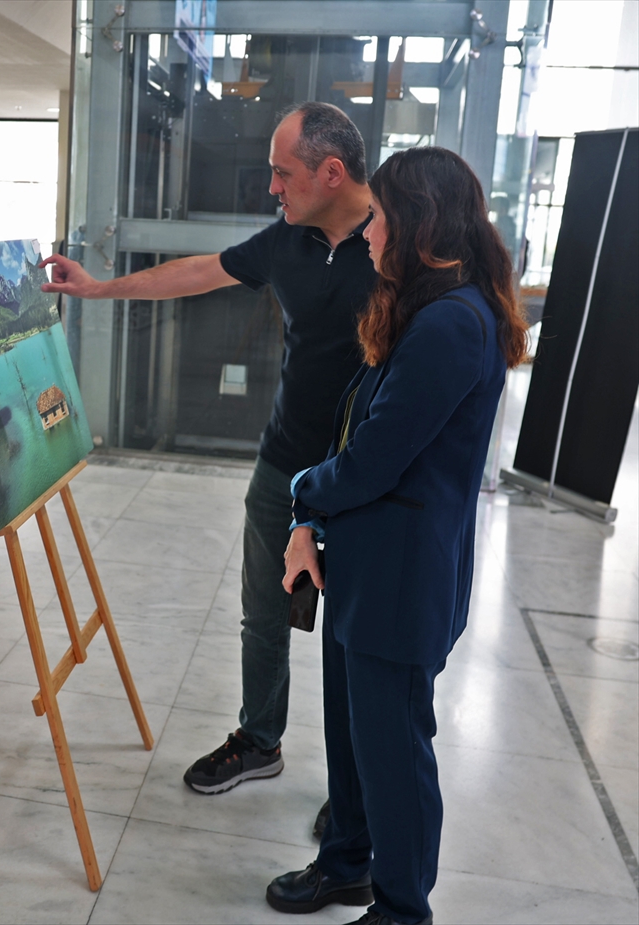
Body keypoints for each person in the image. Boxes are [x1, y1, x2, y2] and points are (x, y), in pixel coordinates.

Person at [41, 102, 376, 801]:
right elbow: (198, 271)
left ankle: (356, 799)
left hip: (367, 476)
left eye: (284, 174)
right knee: (265, 609)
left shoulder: (396, 246)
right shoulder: (290, 238)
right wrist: (100, 288)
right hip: (285, 466)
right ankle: (260, 738)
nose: (274, 189)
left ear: (332, 172)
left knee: (359, 635)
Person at [264, 147, 530, 925]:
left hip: (400, 576)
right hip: (365, 563)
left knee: (392, 753)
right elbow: (360, 428)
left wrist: (301, 494)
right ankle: (347, 861)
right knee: (351, 741)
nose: (369, 231)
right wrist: (313, 518)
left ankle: (402, 908)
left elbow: (375, 459)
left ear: (418, 222)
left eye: (380, 216)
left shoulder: (453, 323)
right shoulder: (425, 307)